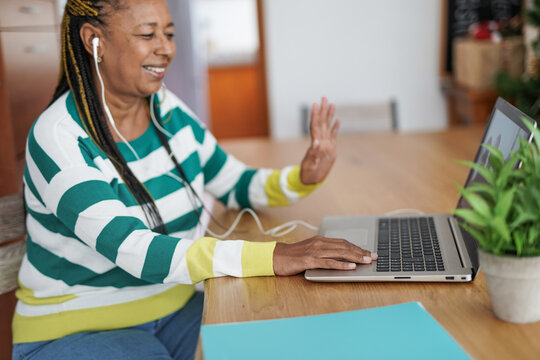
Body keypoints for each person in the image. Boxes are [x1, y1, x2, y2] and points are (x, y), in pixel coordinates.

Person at [12, 0, 377, 359]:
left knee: (297, 340)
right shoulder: (58, 137)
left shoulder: (167, 111)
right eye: (147, 34)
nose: (166, 48)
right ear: (95, 40)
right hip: (77, 330)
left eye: (169, 34)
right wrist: (276, 255)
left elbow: (233, 181)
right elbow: (133, 247)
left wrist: (301, 178)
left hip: (178, 310)